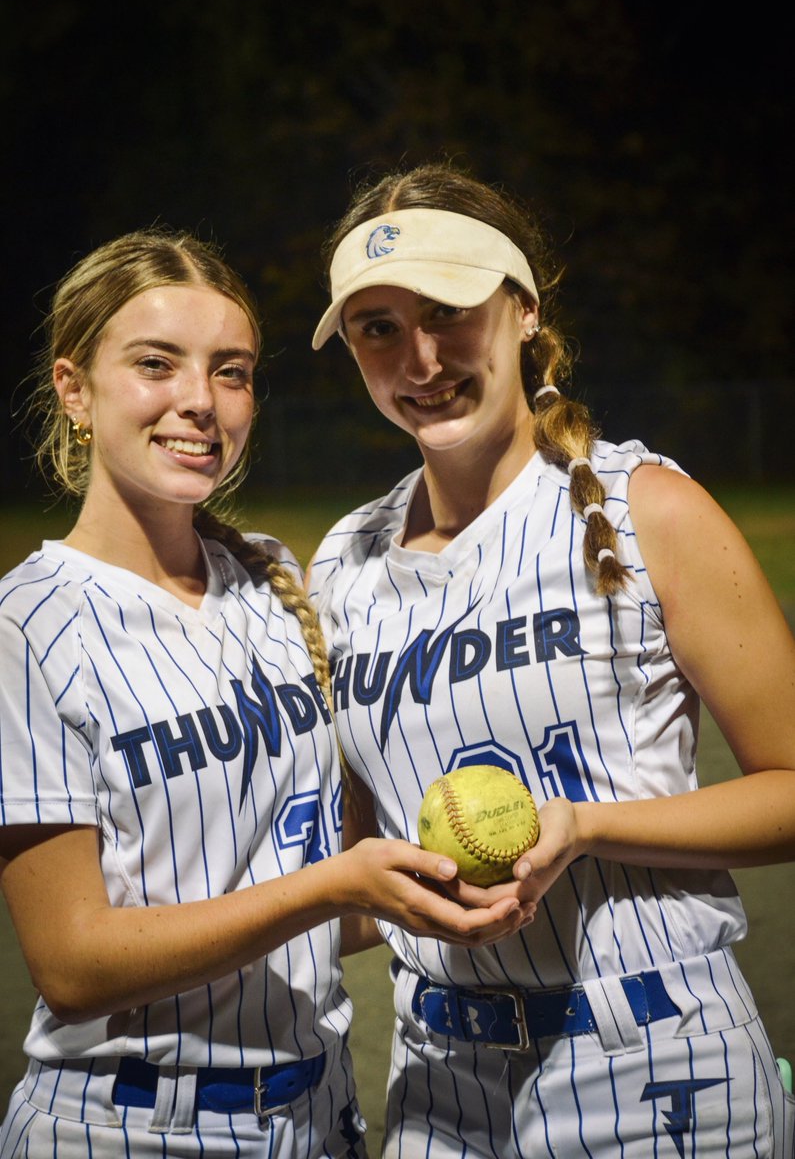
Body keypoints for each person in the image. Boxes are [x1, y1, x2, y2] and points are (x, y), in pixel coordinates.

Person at [0, 229, 531, 1159]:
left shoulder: (273, 580)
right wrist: (332, 885)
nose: (198, 402)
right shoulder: (27, 625)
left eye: (231, 371)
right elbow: (74, 963)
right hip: (130, 1126)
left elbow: (298, 889)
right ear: (74, 388)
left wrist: (437, 892)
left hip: (320, 1119)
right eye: (155, 365)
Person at [308, 163, 795, 1157]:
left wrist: (585, 827)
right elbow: (355, 859)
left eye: (449, 311)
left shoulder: (641, 506)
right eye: (379, 327)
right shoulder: (343, 563)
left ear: (523, 309)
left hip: (658, 1063)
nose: (422, 356)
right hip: (438, 1086)